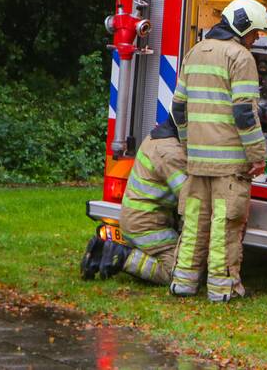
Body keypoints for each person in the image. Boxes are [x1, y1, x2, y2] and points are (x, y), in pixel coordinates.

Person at [169, 0, 267, 302]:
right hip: (229, 165)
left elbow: (179, 108)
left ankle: (183, 283)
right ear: (244, 27)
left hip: (198, 161)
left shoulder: (195, 51)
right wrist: (257, 155)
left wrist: (189, 146)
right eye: (255, 33)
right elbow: (244, 113)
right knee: (224, 228)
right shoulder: (240, 58)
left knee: (194, 225)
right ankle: (222, 289)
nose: (256, 40)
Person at [80, 120, 187, 283]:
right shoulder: (171, 154)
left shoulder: (156, 138)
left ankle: (102, 251)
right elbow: (189, 200)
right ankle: (121, 256)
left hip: (139, 220)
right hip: (147, 226)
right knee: (180, 272)